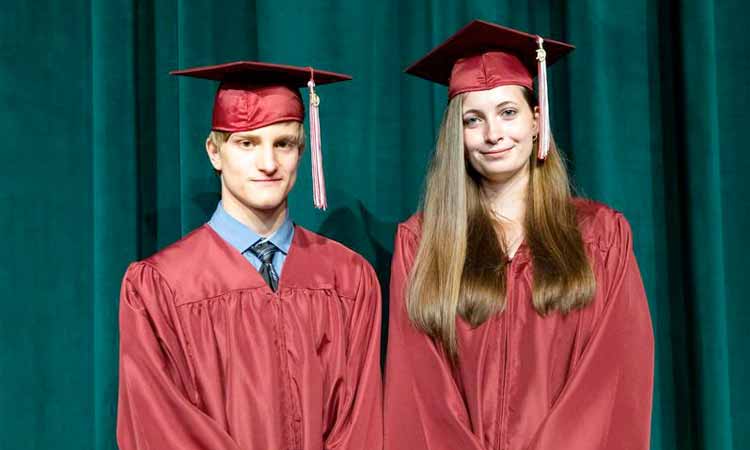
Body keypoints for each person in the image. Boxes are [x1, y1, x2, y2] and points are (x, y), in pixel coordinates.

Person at [384, 20, 654, 450]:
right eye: (474, 120)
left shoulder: (600, 237)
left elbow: (613, 376)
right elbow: (418, 389)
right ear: (458, 134)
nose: (493, 134)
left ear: (535, 119)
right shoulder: (422, 244)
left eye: (507, 112)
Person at [117, 61, 383, 450]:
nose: (268, 163)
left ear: (302, 150)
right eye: (247, 143)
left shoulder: (348, 279)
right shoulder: (160, 287)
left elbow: (360, 425)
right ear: (214, 152)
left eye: (283, 144)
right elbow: (161, 428)